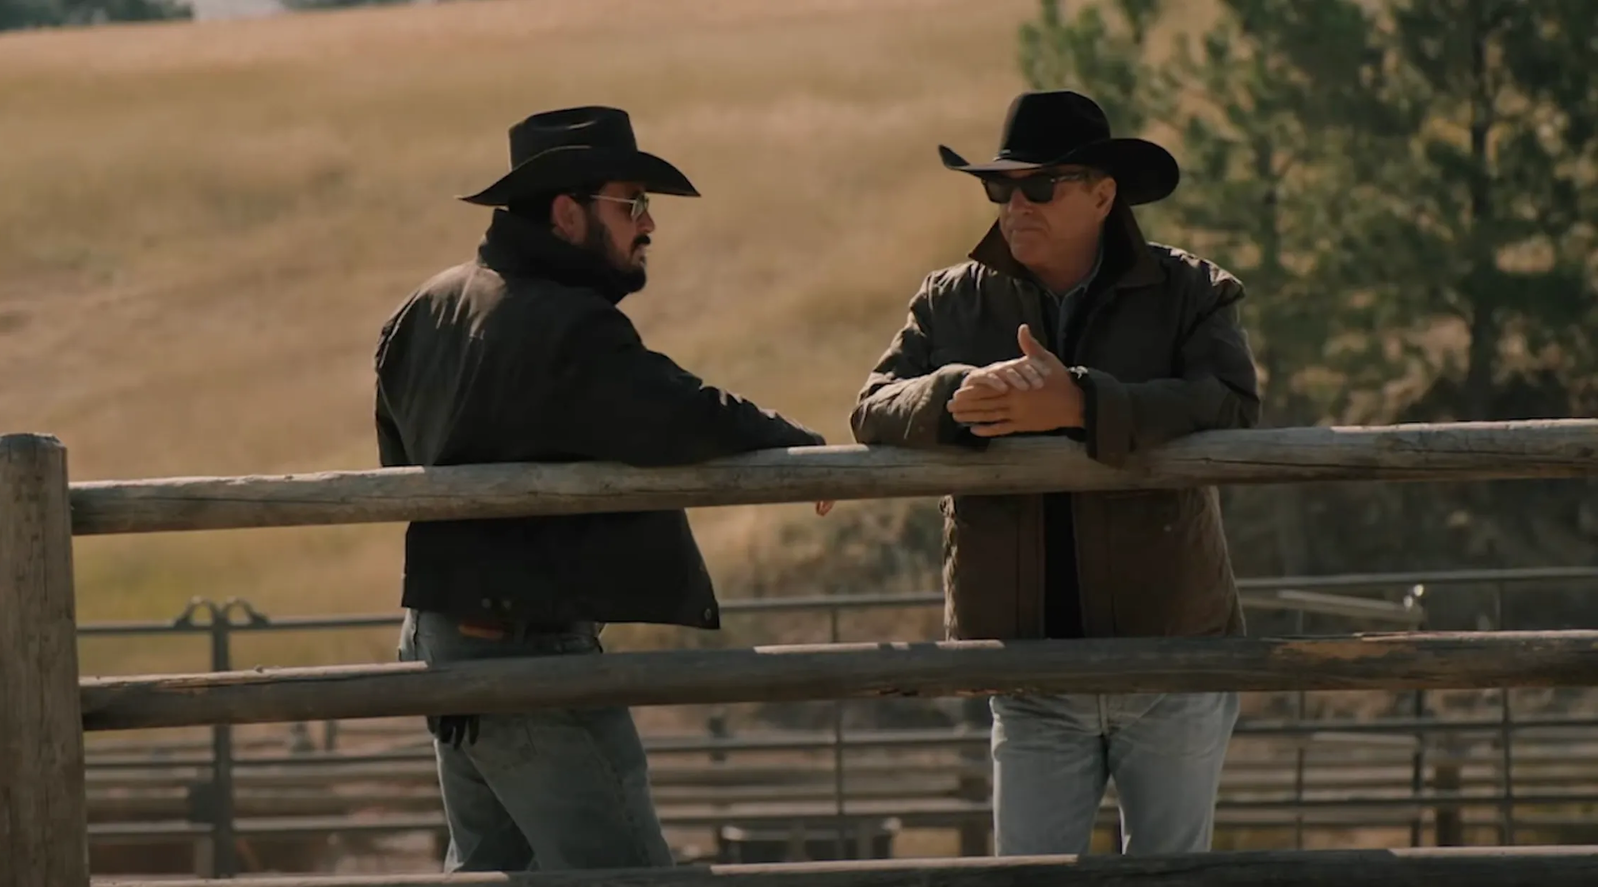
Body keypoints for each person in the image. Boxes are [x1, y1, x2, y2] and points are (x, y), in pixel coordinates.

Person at [373, 105, 828, 872]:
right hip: (526, 648)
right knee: (623, 868)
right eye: (631, 204)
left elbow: (396, 463)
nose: (648, 223)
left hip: (443, 634)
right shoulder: (566, 325)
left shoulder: (425, 308)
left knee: (493, 867)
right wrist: (795, 443)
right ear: (566, 213)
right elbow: (678, 414)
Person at [849, 90, 1261, 856]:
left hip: (1172, 657)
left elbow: (1232, 403)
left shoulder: (1193, 293)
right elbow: (873, 405)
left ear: (1104, 196)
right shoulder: (950, 301)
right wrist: (955, 396)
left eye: (1039, 186)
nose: (1016, 206)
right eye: (1000, 188)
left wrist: (1083, 403)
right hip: (1027, 667)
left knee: (1172, 878)